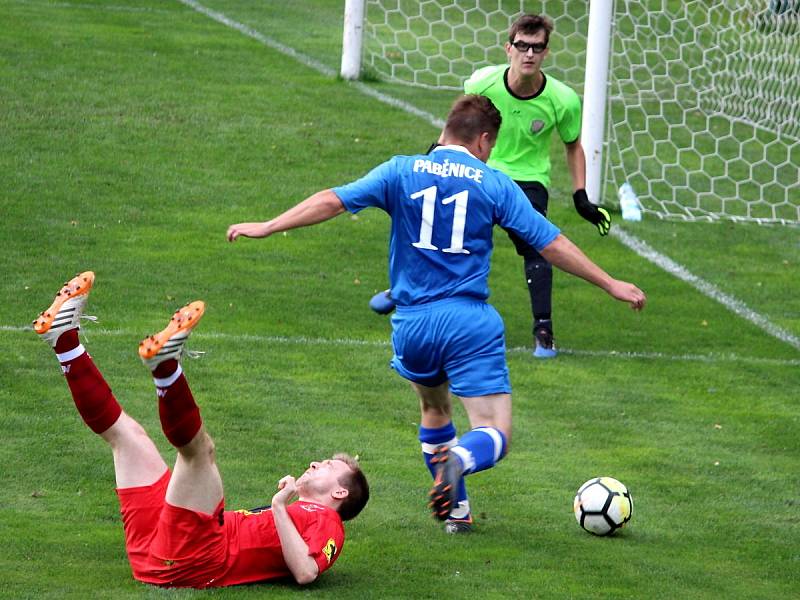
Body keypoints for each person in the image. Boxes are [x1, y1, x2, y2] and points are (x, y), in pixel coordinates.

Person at [227, 95, 645, 533]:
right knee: (493, 431)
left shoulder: (400, 170)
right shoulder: (494, 182)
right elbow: (550, 243)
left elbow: (333, 200)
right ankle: (459, 461)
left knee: (434, 410)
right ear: (484, 140)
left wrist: (269, 225)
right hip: (467, 323)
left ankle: (457, 515)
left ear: (446, 130)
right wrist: (610, 283)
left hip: (412, 326)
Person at [32, 271, 368, 588]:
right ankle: (65, 341)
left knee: (199, 454)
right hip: (161, 550)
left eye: (327, 467)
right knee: (127, 437)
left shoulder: (329, 523)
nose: (315, 463)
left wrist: (278, 505)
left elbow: (307, 572)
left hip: (193, 557)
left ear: (340, 493)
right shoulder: (303, 510)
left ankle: (166, 366)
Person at [370, 14, 611, 358]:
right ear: (508, 48)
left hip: (528, 180)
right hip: (480, 171)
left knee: (537, 245)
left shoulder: (563, 99)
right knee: (434, 227)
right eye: (522, 46)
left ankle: (543, 330)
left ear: (546, 52)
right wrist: (432, 159)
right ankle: (403, 290)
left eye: (536, 47)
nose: (528, 54)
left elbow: (573, 146)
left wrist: (581, 195)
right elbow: (457, 124)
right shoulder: (483, 83)